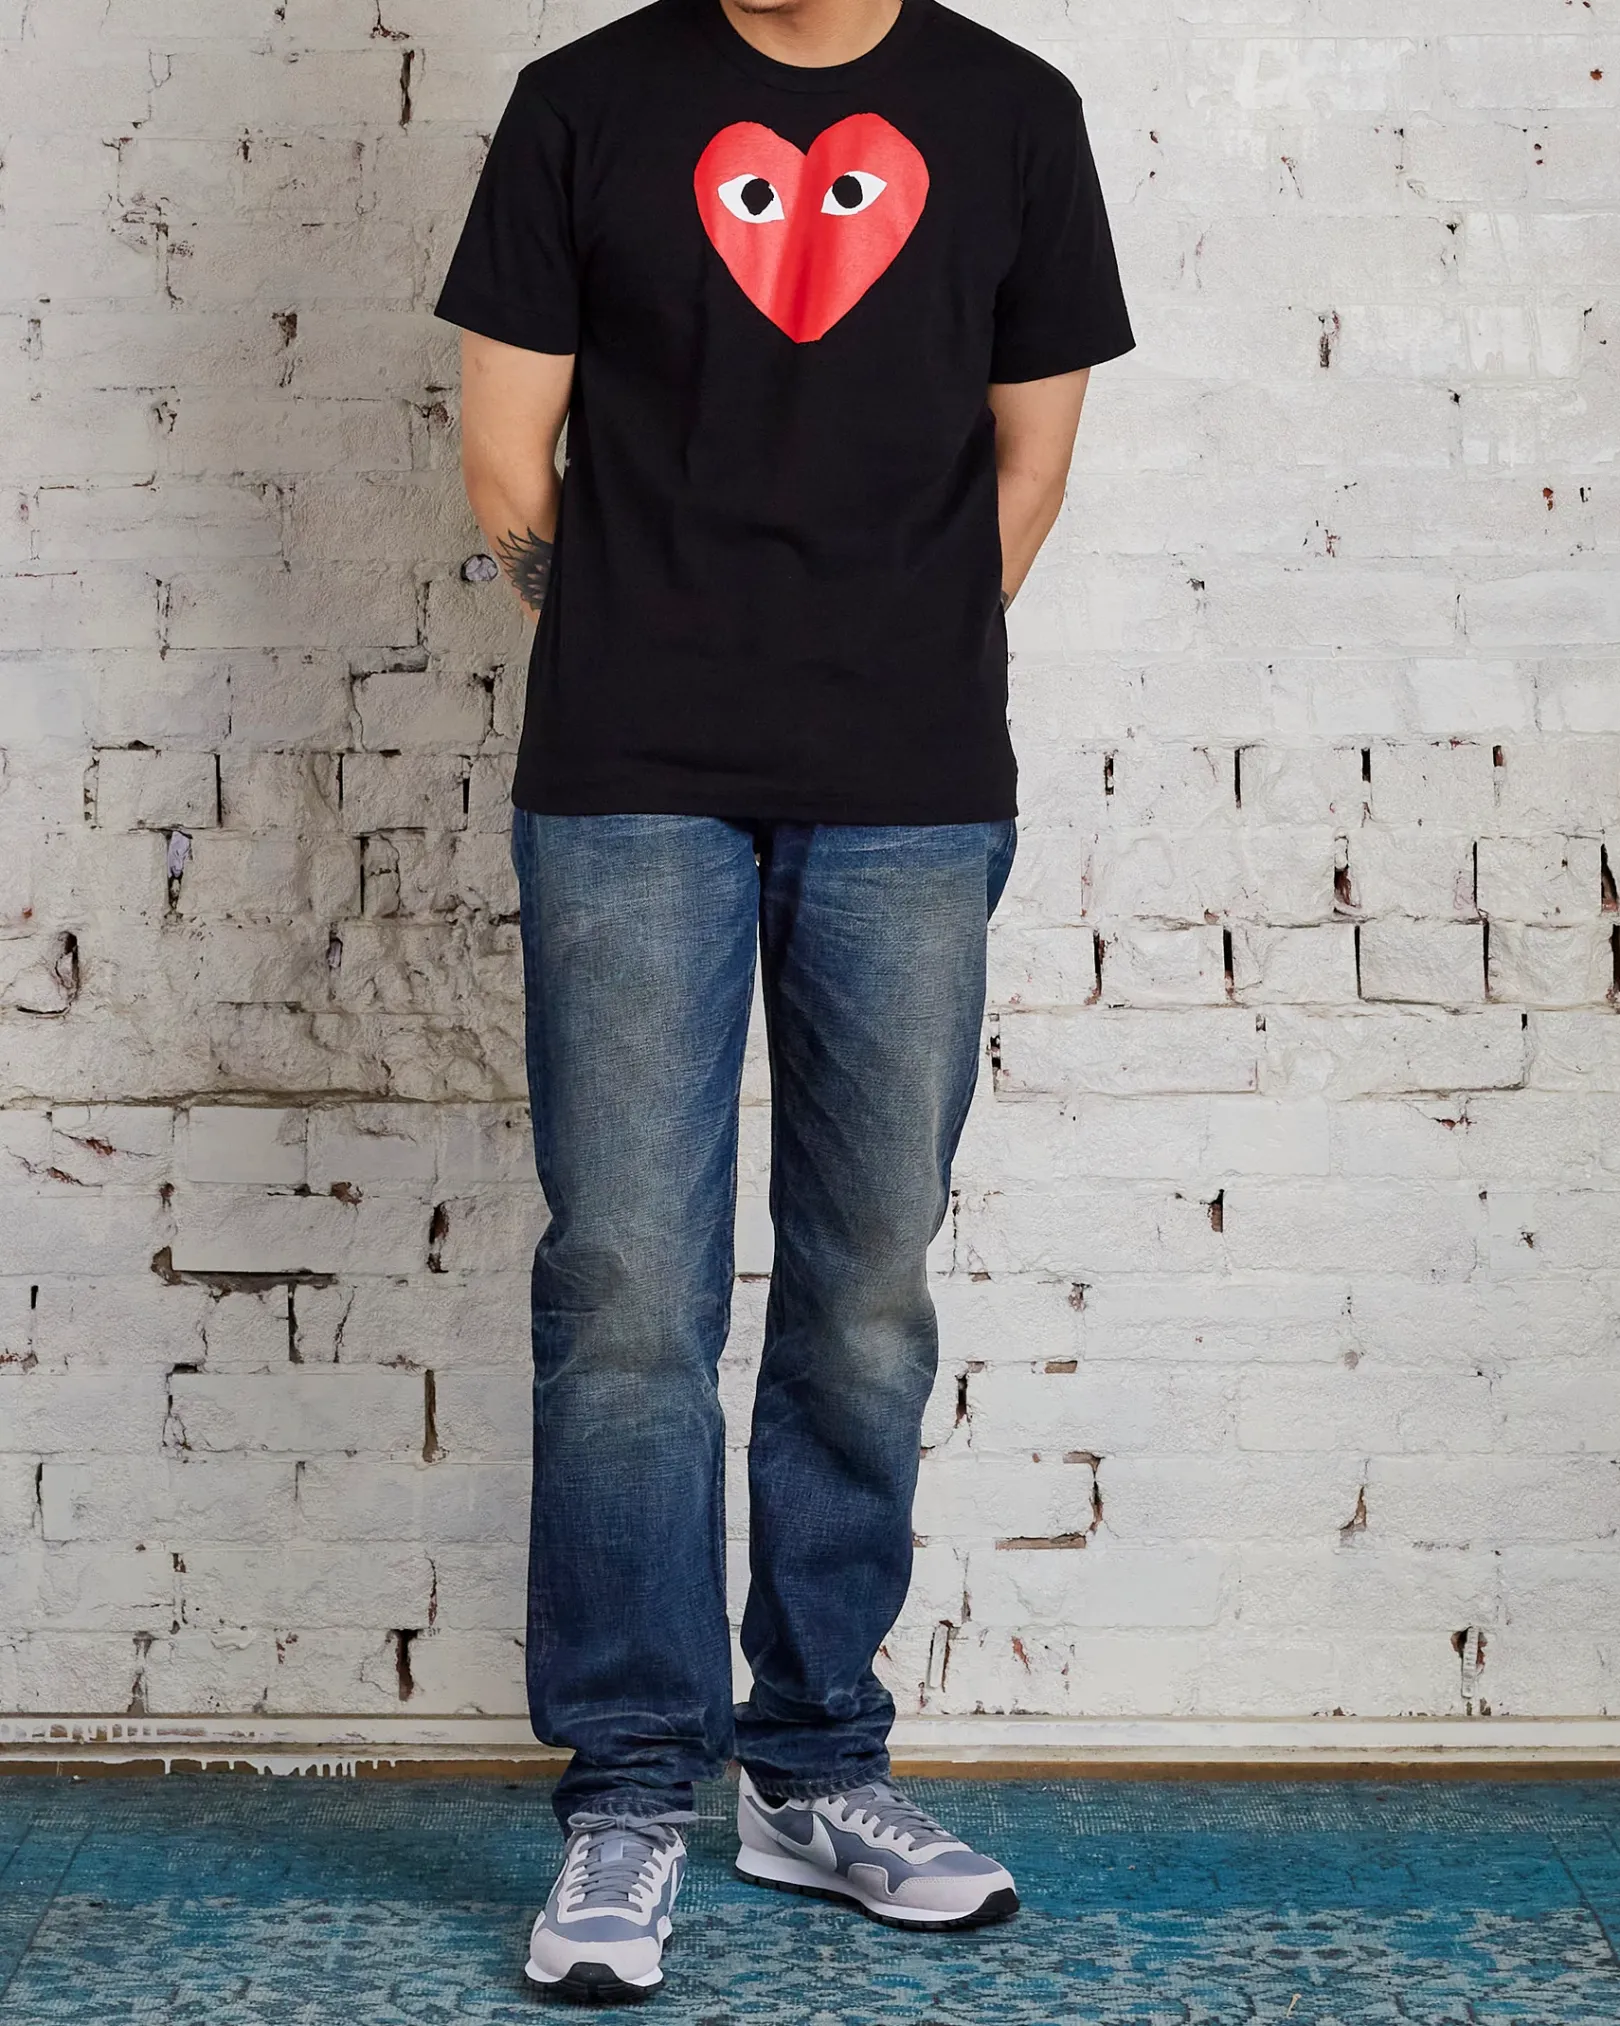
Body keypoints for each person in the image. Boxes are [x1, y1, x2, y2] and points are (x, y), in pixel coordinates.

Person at [436, 0, 1133, 2000]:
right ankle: (631, 1793)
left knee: (866, 1281)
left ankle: (816, 1767)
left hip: (909, 784)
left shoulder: (1011, 113)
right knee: (629, 1286)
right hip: (628, 782)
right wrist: (652, 645)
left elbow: (1032, 462)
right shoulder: (584, 106)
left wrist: (876, 656)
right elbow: (503, 451)